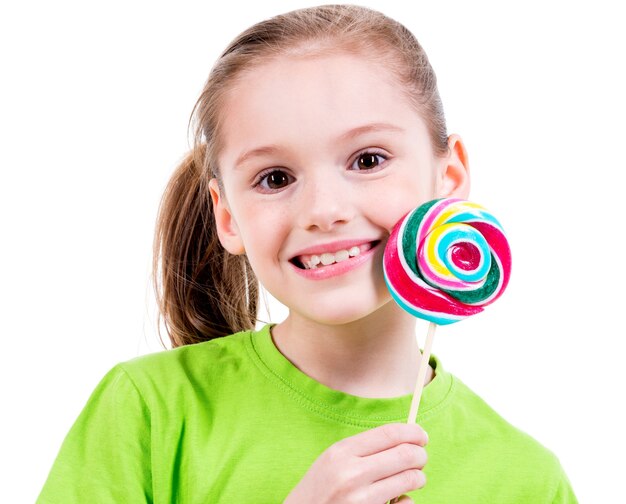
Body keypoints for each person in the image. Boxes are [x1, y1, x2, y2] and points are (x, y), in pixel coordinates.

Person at [37, 4, 578, 503]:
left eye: (368, 160)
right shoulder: (148, 411)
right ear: (228, 216)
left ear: (449, 177)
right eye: (275, 178)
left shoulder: (527, 478)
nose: (323, 210)